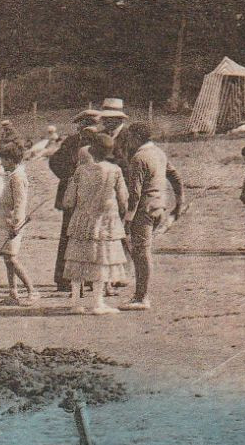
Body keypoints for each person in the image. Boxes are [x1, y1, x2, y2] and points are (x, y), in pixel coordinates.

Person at [61, 134, 130, 314]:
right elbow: (123, 199)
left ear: (91, 150)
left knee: (78, 257)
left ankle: (76, 302)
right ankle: (98, 302)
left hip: (81, 219)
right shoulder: (115, 170)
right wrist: (123, 212)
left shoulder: (80, 171)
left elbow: (68, 201)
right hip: (106, 220)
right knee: (102, 258)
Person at [123, 122, 183, 311]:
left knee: (141, 253)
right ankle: (140, 293)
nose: (128, 141)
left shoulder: (138, 158)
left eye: (130, 137)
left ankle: (141, 297)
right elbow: (175, 177)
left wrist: (128, 218)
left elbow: (135, 194)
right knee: (142, 251)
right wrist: (179, 202)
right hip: (159, 208)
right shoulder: (159, 153)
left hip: (143, 211)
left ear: (137, 137)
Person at [49, 109, 104, 292]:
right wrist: (70, 176)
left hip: (94, 197)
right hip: (73, 197)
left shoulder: (101, 142)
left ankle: (90, 279)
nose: (90, 131)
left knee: (92, 236)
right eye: (87, 127)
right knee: (69, 235)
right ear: (81, 127)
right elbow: (55, 162)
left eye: (93, 127)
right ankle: (64, 279)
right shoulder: (71, 142)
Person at [0, 142, 37, 306]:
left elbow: (20, 203)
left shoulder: (18, 177)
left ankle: (32, 290)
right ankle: (13, 293)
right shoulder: (12, 175)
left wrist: (16, 225)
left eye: (3, 160)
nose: (1, 164)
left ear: (11, 160)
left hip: (12, 223)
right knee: (7, 258)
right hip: (5, 221)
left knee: (11, 258)